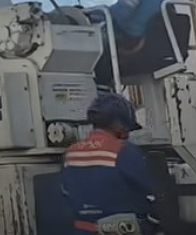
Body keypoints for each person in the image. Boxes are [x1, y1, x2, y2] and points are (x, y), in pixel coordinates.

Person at [61, 93, 161, 234]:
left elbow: (66, 194)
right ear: (118, 124)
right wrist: (152, 224)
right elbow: (152, 194)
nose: (128, 135)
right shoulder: (123, 151)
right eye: (128, 128)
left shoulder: (70, 153)